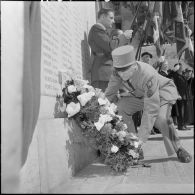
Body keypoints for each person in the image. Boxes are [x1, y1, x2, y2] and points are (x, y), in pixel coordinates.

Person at [105, 45, 192, 163]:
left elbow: (151, 110)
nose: (122, 74)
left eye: (125, 70)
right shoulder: (117, 73)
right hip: (138, 95)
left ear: (134, 66)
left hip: (160, 93)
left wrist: (141, 140)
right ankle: (132, 146)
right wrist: (101, 109)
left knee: (161, 119)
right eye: (119, 70)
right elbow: (109, 94)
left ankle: (178, 148)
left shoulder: (147, 74)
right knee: (120, 108)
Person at [88, 8, 133, 91]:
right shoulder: (96, 29)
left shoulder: (102, 32)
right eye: (111, 18)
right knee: (103, 102)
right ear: (102, 17)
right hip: (102, 74)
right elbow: (109, 46)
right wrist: (123, 36)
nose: (113, 21)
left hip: (106, 74)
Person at [170, 63, 191, 130]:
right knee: (180, 112)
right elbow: (170, 76)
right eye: (180, 67)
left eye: (181, 67)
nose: (182, 68)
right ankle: (180, 126)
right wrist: (173, 70)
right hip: (179, 96)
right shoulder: (175, 75)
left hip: (185, 96)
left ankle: (184, 125)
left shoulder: (182, 75)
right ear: (177, 68)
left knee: (184, 112)